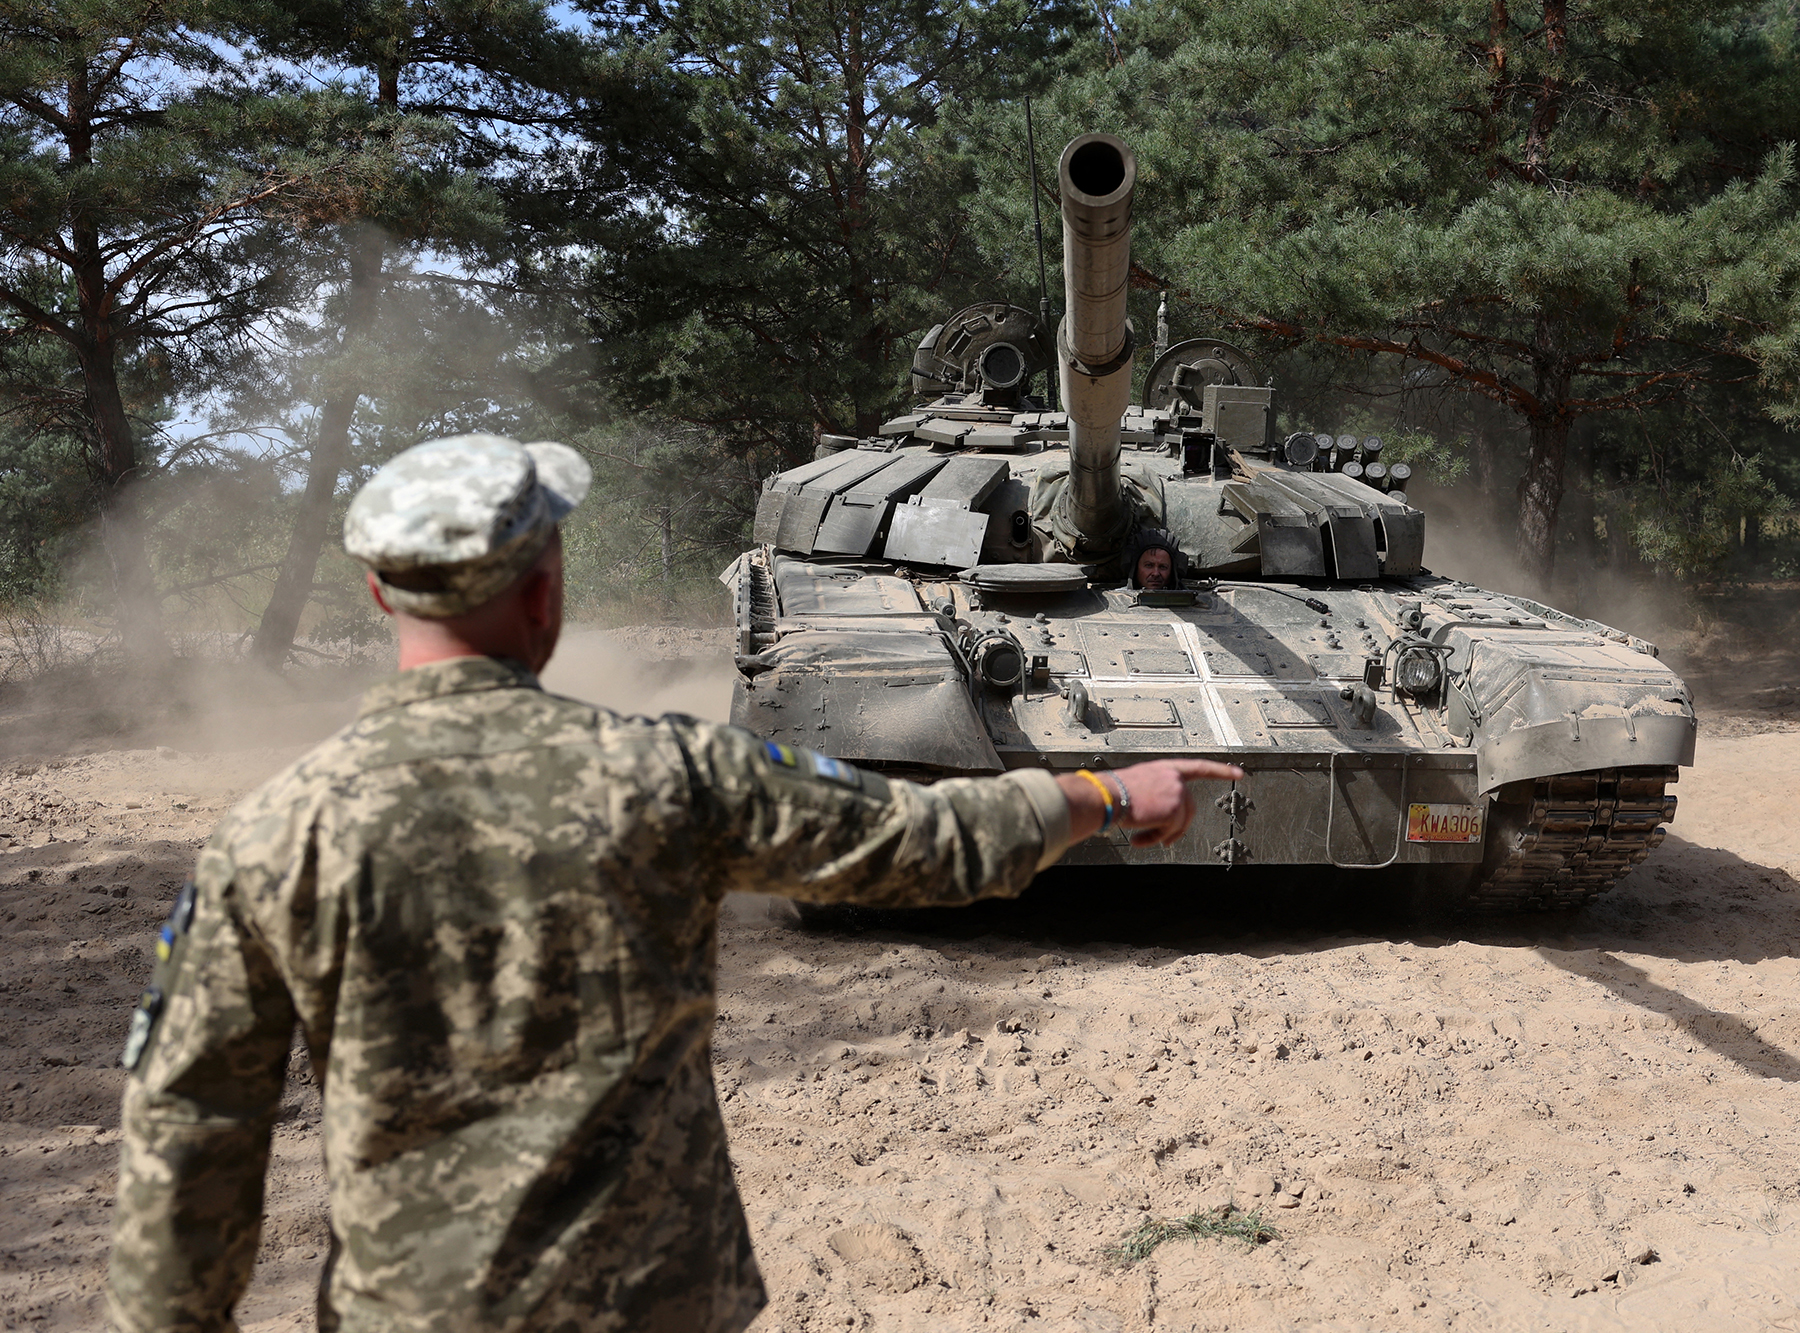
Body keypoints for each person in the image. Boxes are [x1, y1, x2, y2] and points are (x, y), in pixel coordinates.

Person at [107, 433, 1240, 1333]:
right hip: (651, 1297)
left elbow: (190, 1130)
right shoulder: (668, 774)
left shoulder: (271, 835)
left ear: (376, 593)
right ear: (546, 587)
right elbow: (918, 842)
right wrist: (1098, 795)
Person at [1129, 526, 1182, 591]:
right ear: (1136, 568)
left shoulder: (1190, 599)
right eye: (1149, 565)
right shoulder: (1116, 599)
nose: (1156, 573)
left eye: (1163, 567)